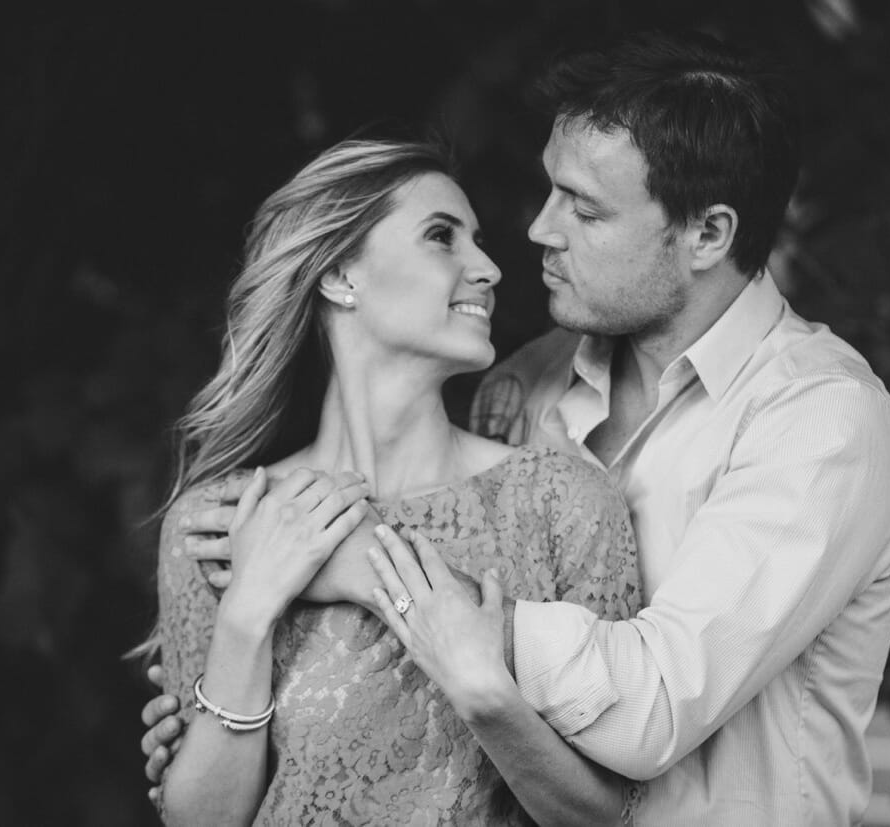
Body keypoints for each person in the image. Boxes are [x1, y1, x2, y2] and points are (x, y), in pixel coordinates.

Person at [143, 30, 890, 825]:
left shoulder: (819, 421)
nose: (538, 233)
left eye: (584, 208)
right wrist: (219, 700)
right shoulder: (523, 388)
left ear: (708, 235)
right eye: (551, 191)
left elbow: (655, 700)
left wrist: (359, 564)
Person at [144, 137, 641, 826]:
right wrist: (248, 614)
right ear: (341, 273)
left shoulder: (562, 503)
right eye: (442, 236)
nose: (491, 268)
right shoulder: (221, 524)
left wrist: (482, 688)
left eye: (479, 240)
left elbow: (613, 813)